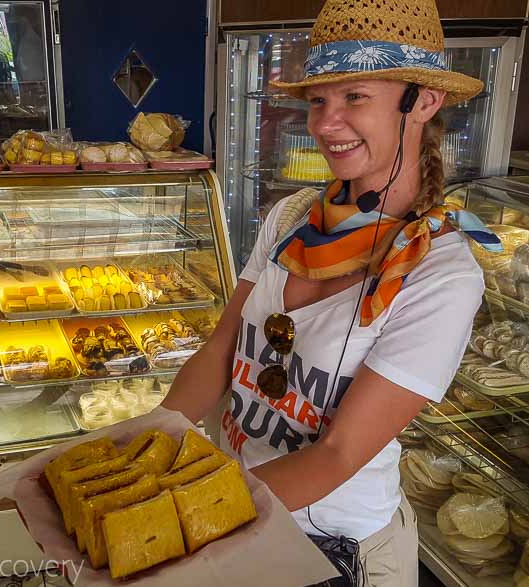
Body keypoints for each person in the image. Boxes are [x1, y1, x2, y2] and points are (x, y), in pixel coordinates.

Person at [163, 0, 502, 585]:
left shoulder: (441, 275)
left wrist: (180, 512)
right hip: (234, 513)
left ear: (423, 101)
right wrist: (144, 449)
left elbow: (338, 453)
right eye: (320, 99)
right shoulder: (292, 216)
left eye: (355, 97)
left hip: (335, 550)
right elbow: (222, 351)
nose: (324, 123)